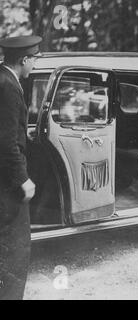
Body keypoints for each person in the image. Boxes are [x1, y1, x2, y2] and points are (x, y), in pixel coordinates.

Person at [0, 35, 42, 300]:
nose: (35, 65)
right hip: (7, 184)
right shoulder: (10, 87)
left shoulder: (2, 79)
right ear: (24, 60)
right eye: (34, 60)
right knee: (15, 249)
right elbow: (5, 142)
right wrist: (23, 179)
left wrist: (20, 131)